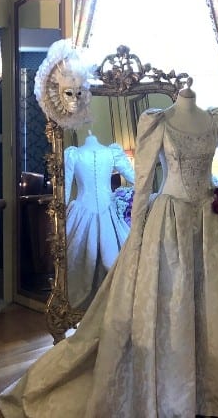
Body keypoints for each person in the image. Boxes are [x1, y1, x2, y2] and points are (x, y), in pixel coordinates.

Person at [0, 83, 218, 418]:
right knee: (173, 299)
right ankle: (177, 388)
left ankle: (215, 387)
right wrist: (137, 232)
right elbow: (143, 182)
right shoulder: (158, 121)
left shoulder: (215, 120)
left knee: (216, 302)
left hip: (211, 222)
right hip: (169, 220)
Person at [64, 131, 136, 309]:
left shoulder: (77, 154)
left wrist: (61, 211)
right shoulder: (79, 154)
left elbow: (65, 191)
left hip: (90, 209)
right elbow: (135, 178)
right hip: (97, 209)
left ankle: (107, 300)